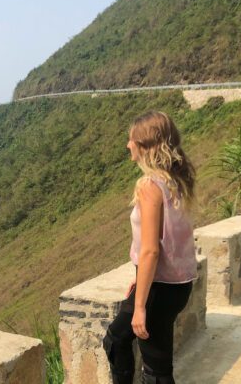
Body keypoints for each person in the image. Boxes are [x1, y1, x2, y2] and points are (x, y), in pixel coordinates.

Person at [102, 111, 198, 384]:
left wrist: (141, 305)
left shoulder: (149, 185)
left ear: (145, 145)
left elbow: (151, 250)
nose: (128, 145)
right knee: (124, 343)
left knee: (153, 371)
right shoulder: (175, 180)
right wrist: (138, 285)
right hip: (176, 285)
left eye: (132, 140)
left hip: (159, 288)